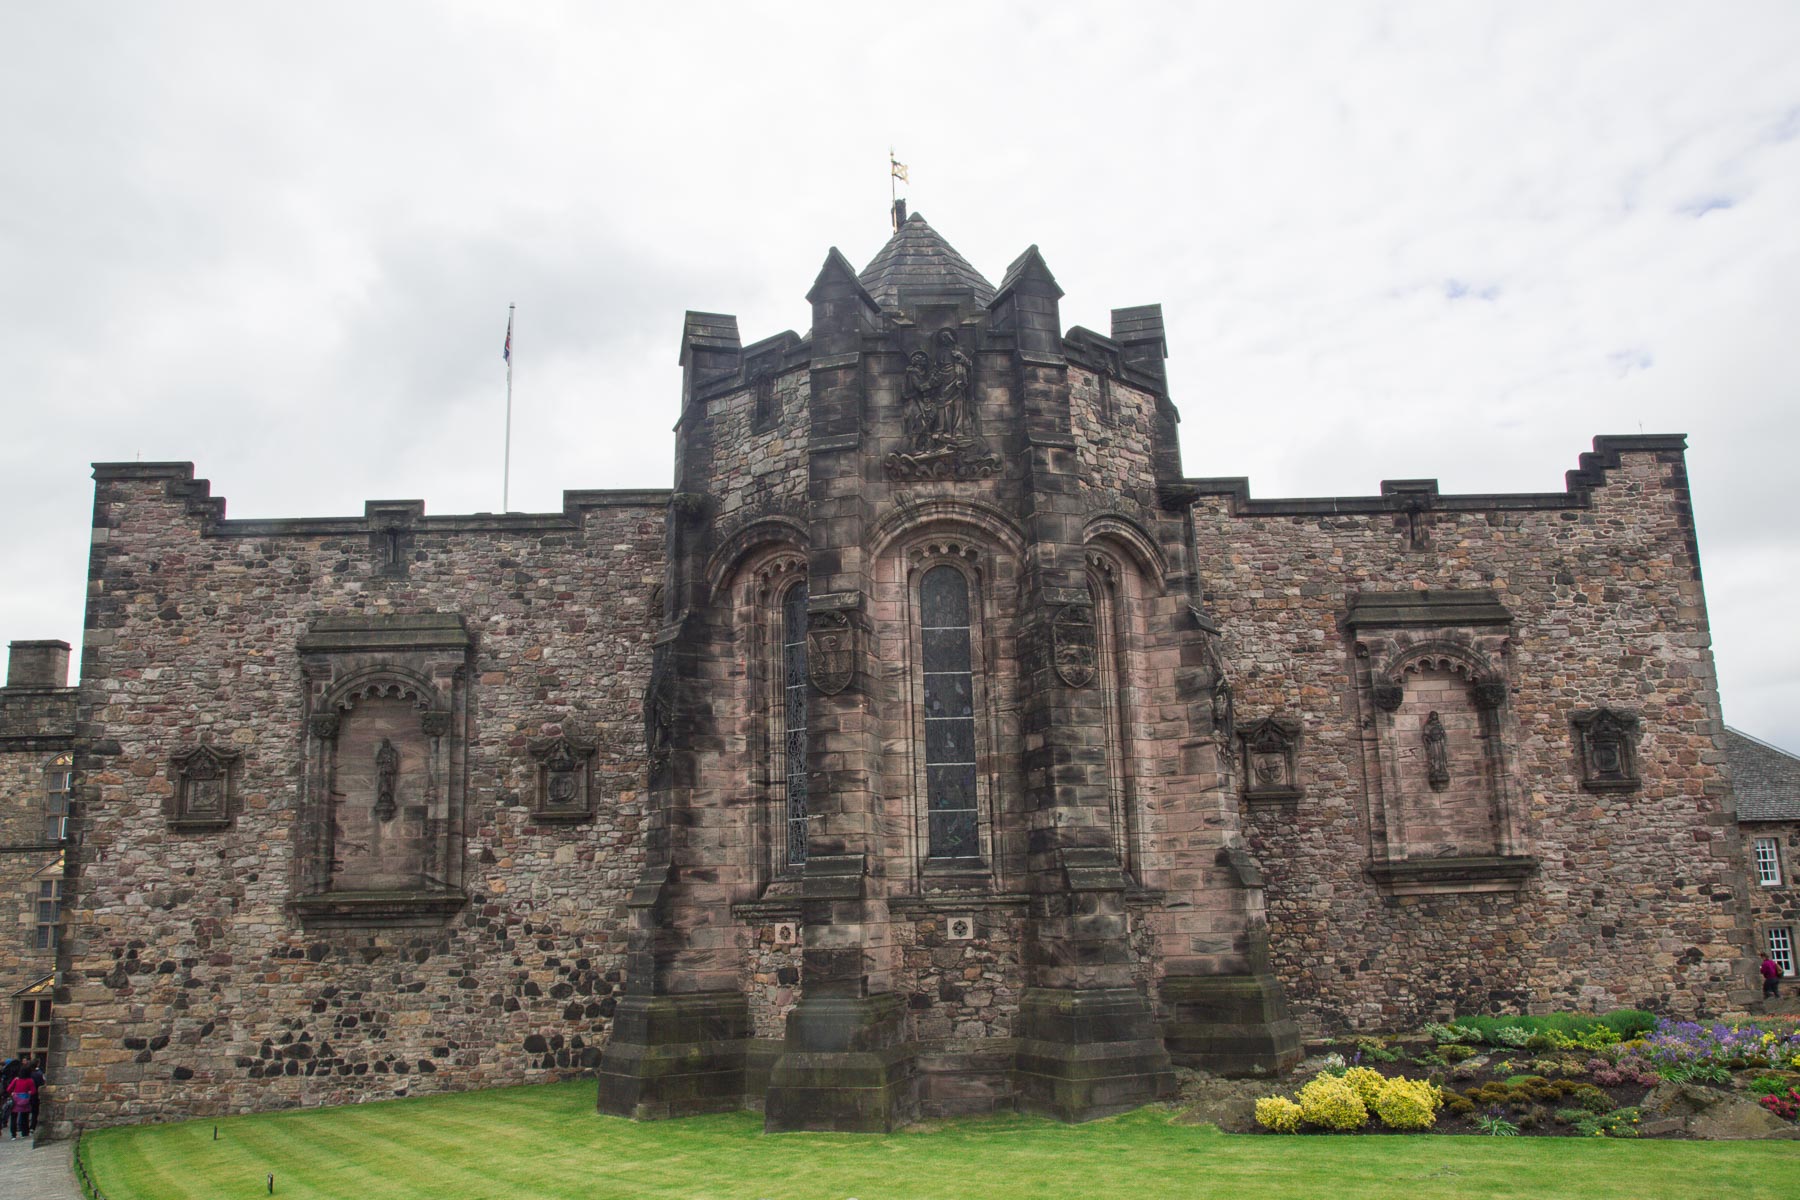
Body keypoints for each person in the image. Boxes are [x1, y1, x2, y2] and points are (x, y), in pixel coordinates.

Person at [5, 1062, 34, 1139]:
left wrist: (13, 1093)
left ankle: (13, 1134)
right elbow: (33, 1091)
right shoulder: (30, 1080)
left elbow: (9, 1089)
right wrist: (28, 1093)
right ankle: (24, 1132)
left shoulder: (16, 1080)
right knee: (25, 1117)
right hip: (25, 1100)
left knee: (13, 1117)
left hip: (16, 1099)